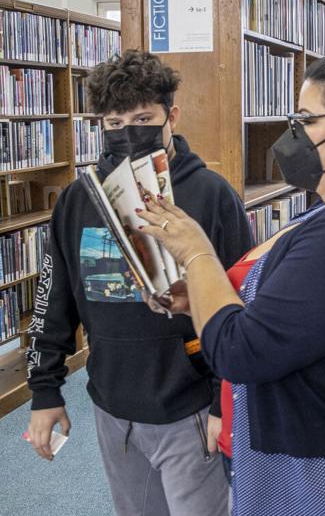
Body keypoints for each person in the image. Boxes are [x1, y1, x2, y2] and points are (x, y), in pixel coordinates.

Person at [140, 34, 325, 515]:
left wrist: (197, 253)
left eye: (306, 121)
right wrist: (202, 294)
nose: (293, 136)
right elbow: (299, 310)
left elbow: (239, 353)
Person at [25, 49, 253, 516]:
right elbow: (55, 298)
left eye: (143, 117)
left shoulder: (211, 195)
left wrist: (220, 404)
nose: (128, 131)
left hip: (188, 407)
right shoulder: (77, 199)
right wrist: (44, 391)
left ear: (172, 116)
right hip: (112, 404)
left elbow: (240, 304)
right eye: (113, 122)